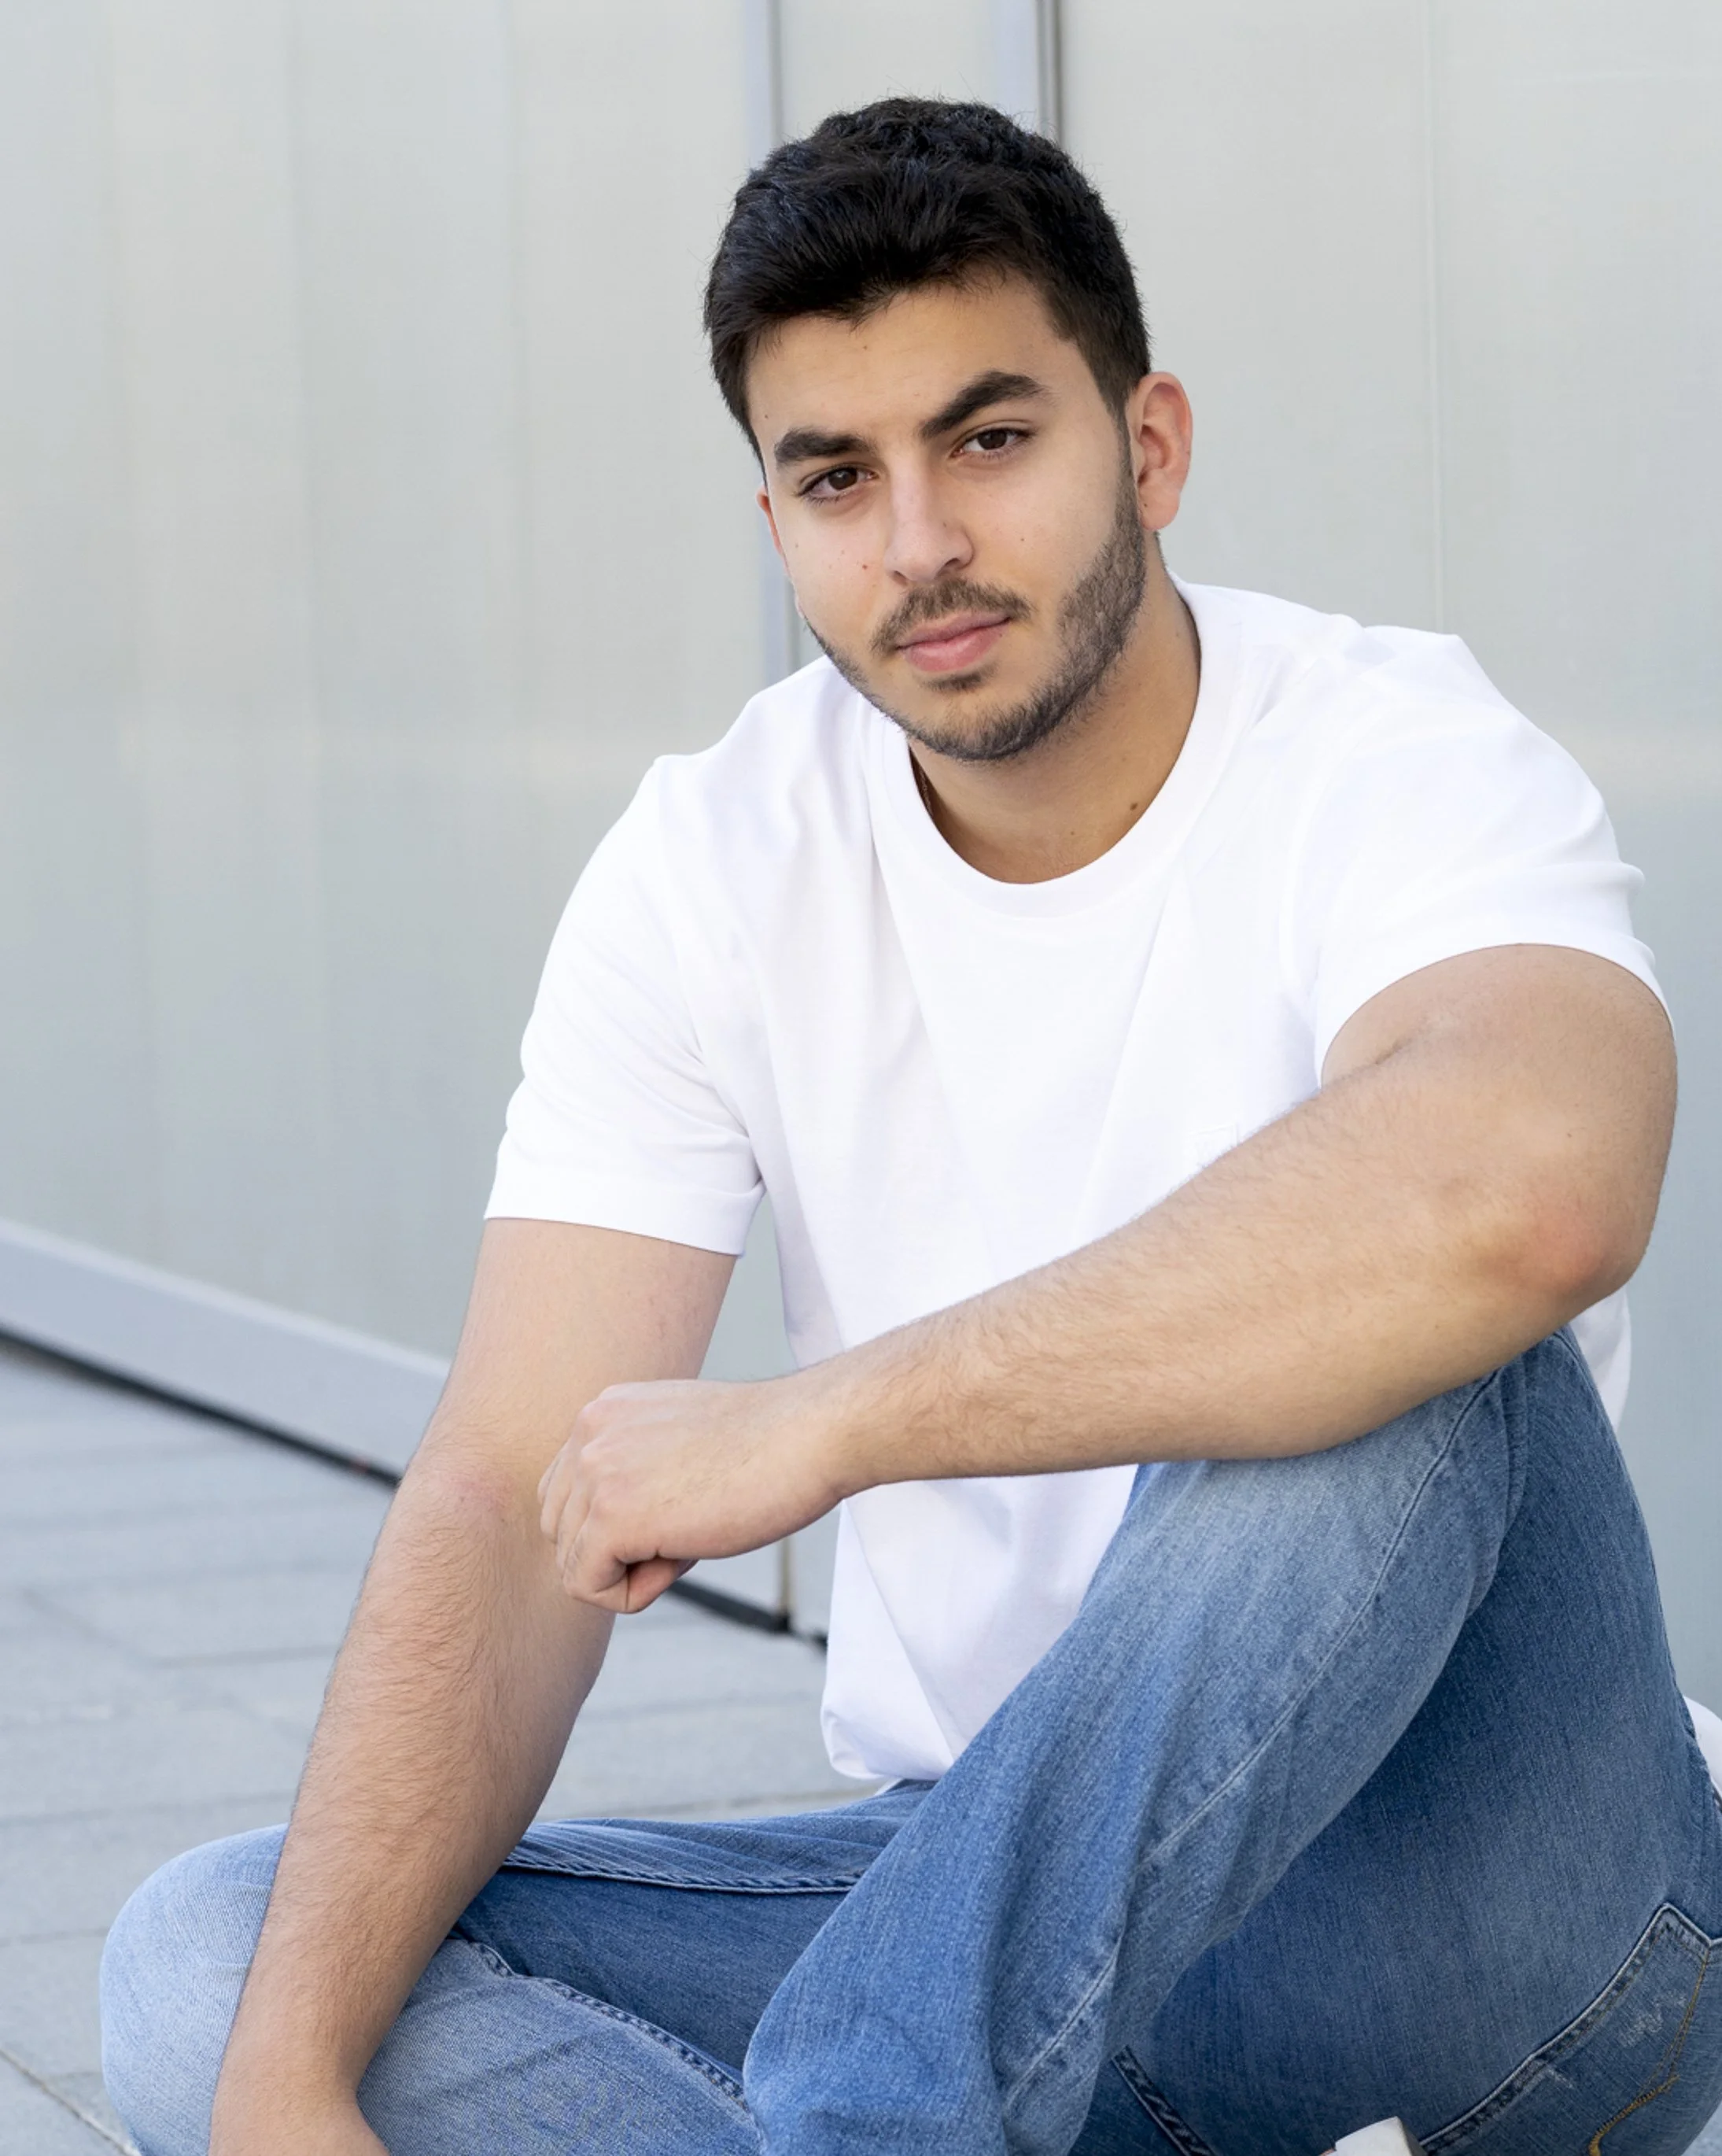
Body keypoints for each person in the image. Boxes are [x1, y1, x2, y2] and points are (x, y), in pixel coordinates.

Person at [100, 98, 1722, 2156]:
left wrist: (835, 1414)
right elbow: (512, 1486)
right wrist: (272, 2101)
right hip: (987, 1902)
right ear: (773, 525)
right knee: (220, 1976)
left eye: (987, 438)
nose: (918, 543)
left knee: (1401, 1318)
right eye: (834, 477)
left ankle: (880, 2112)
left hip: (1495, 1939)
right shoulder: (715, 859)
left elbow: (1530, 1190)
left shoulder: (1394, 758)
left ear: (1144, 445)